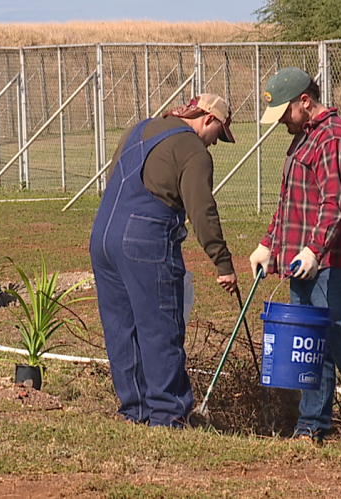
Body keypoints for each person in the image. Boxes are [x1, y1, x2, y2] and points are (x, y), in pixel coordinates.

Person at [248, 67, 341, 451]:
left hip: (336, 265)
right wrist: (269, 244)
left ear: (304, 102)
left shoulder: (337, 138)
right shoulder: (306, 139)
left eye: (284, 114)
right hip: (306, 264)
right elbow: (292, 204)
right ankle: (311, 427)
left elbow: (334, 204)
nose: (281, 124)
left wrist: (315, 249)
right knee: (311, 348)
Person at [89, 93, 239, 428]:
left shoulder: (140, 129)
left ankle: (135, 409)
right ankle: (168, 414)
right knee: (160, 327)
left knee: (121, 329)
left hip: (102, 234)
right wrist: (222, 262)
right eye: (220, 135)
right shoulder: (193, 151)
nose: (216, 144)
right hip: (144, 239)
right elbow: (202, 210)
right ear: (209, 119)